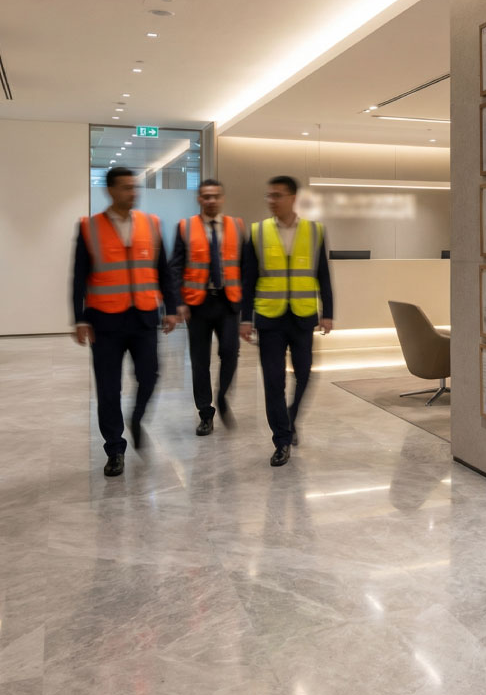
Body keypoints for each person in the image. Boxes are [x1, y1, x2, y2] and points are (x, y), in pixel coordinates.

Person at [72, 166, 178, 476]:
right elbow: (79, 277)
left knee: (150, 376)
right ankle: (115, 448)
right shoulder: (90, 228)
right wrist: (79, 318)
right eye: (126, 188)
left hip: (144, 317)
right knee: (108, 388)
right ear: (110, 191)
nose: (133, 193)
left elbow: (163, 271)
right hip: (104, 320)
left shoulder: (151, 224)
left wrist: (170, 307)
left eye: (135, 187)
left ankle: (137, 417)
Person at [240, 176, 333, 467]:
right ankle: (281, 440)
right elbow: (248, 279)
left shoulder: (314, 231)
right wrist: (245, 318)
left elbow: (323, 275)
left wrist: (328, 312)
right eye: (269, 196)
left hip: (303, 316)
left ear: (293, 197)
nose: (272, 201)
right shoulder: (257, 232)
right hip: (270, 318)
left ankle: (290, 418)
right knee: (273, 380)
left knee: (305, 373)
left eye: (277, 195)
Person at [170, 179, 245, 436]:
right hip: (198, 305)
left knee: (230, 353)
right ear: (199, 199)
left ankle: (222, 396)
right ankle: (206, 412)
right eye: (206, 196)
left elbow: (245, 266)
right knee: (200, 362)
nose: (211, 200)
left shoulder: (236, 226)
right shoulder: (185, 227)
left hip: (228, 302)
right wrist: (178, 302)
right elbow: (176, 267)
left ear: (222, 198)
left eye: (215, 196)